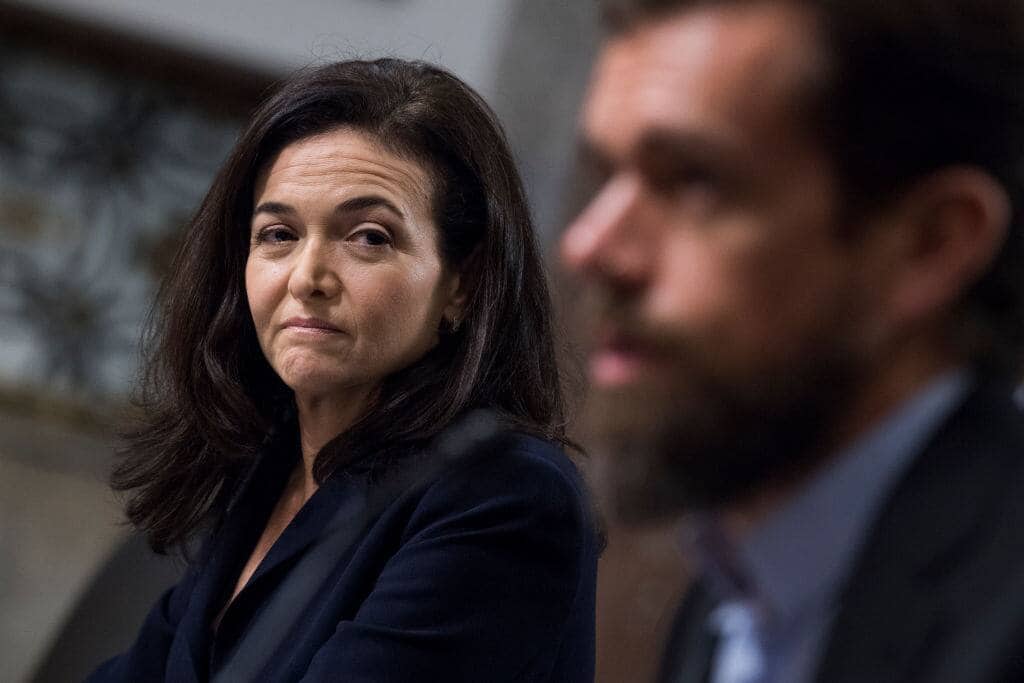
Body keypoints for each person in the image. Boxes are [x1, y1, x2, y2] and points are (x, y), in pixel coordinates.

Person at [88, 58, 598, 682]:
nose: (307, 279)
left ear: (463, 282)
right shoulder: (268, 467)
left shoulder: (507, 495)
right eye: (278, 234)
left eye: (369, 238)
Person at [561, 1, 1024, 681]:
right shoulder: (731, 600)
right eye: (606, 176)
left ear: (929, 245)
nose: (590, 245)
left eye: (693, 181)